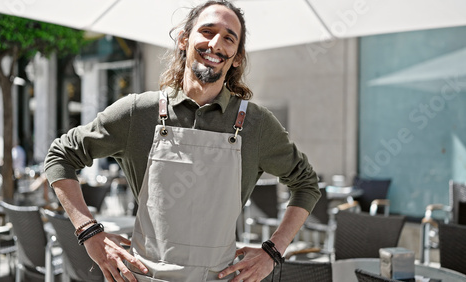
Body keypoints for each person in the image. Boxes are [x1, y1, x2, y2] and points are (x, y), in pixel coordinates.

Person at [44, 1, 320, 281]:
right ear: (184, 40)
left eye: (228, 38)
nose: (215, 44)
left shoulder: (256, 125)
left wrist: (273, 250)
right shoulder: (138, 112)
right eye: (207, 31)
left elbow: (306, 183)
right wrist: (89, 232)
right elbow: (60, 156)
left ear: (237, 57)